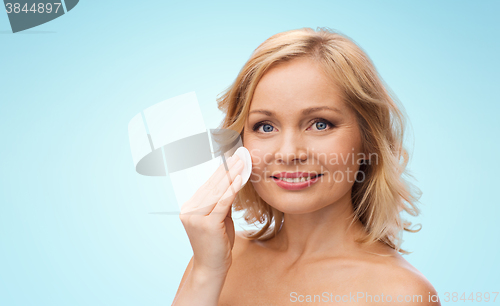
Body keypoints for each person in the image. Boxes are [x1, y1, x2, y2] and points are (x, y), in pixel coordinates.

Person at [172, 27, 440, 305]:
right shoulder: (217, 260)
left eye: (320, 124)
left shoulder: (400, 294)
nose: (289, 153)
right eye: (265, 126)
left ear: (368, 140)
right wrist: (206, 273)